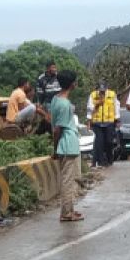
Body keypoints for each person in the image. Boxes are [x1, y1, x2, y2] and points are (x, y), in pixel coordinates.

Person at [48, 70, 84, 222]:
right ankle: (66, 212)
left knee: (71, 178)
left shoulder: (56, 99)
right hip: (68, 144)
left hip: (67, 144)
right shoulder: (64, 104)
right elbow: (58, 129)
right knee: (68, 180)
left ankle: (70, 209)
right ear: (72, 84)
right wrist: (55, 148)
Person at [85, 80, 119, 169]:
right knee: (99, 142)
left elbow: (116, 106)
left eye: (103, 90)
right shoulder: (93, 95)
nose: (102, 92)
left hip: (109, 122)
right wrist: (89, 121)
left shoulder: (112, 94)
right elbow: (89, 109)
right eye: (101, 90)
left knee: (109, 141)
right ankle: (101, 161)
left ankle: (109, 158)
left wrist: (117, 119)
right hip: (97, 122)